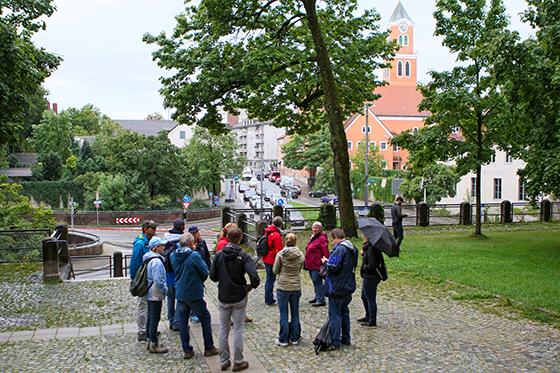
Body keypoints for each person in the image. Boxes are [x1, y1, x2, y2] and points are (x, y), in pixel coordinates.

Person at [210, 227, 260, 372]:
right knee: (238, 329)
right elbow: (255, 277)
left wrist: (223, 278)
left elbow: (212, 276)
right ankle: (238, 361)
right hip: (239, 295)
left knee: (223, 329)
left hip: (224, 295)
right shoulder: (243, 256)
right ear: (239, 239)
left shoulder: (219, 255)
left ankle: (224, 360)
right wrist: (249, 287)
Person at [170, 232, 219, 360]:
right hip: (194, 292)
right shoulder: (194, 256)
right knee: (205, 317)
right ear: (191, 243)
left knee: (183, 322)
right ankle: (209, 347)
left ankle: (187, 349)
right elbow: (204, 272)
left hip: (180, 292)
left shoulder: (173, 255)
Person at [322, 228, 358, 350]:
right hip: (348, 284)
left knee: (335, 315)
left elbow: (333, 267)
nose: (332, 242)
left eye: (333, 239)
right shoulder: (353, 248)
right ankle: (346, 338)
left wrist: (326, 262)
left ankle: (335, 341)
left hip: (337, 286)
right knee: (344, 312)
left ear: (336, 238)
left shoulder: (340, 249)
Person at [273, 233, 304, 346]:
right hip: (295, 285)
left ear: (285, 241)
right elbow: (300, 268)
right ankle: (295, 337)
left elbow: (275, 270)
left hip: (283, 285)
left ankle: (283, 339)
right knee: (295, 313)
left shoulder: (280, 254)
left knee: (284, 314)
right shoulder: (300, 255)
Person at [129, 220, 157, 341]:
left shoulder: (147, 241)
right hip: (143, 279)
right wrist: (136, 280)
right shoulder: (140, 244)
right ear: (145, 229)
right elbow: (135, 263)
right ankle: (142, 331)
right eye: (152, 229)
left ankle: (149, 328)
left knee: (149, 305)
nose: (154, 231)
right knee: (143, 305)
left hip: (149, 279)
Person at [144, 236, 168, 353]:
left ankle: (150, 340)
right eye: (161, 245)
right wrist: (165, 290)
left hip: (149, 292)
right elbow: (159, 280)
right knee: (155, 318)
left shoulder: (148, 258)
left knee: (150, 316)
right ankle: (154, 343)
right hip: (155, 293)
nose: (163, 247)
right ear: (155, 248)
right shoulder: (157, 261)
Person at [358, 237, 387, 327]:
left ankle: (372, 320)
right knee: (364, 297)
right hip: (369, 276)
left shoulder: (372, 249)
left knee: (370, 298)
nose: (363, 237)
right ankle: (368, 316)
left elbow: (372, 265)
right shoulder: (369, 248)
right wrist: (364, 254)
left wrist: (363, 267)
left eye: (365, 236)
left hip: (371, 277)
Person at [163, 218, 185, 331]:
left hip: (168, 274)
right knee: (181, 299)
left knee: (170, 299)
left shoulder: (167, 238)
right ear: (181, 227)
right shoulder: (181, 240)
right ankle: (177, 322)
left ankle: (171, 320)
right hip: (178, 274)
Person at [187, 225, 212, 324]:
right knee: (194, 293)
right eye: (192, 233)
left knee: (200, 292)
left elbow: (207, 256)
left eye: (195, 233)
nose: (194, 235)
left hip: (201, 271)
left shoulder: (202, 243)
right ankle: (193, 313)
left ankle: (197, 312)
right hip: (192, 272)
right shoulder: (188, 244)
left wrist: (209, 269)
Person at [304, 221, 329, 307]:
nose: (314, 229)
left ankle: (321, 299)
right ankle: (317, 296)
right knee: (314, 281)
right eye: (314, 227)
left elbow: (325, 250)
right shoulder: (313, 237)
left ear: (320, 229)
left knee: (317, 281)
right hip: (311, 263)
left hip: (317, 264)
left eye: (317, 228)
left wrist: (325, 261)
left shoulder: (322, 238)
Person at [262, 216, 284, 306]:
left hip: (266, 258)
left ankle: (268, 298)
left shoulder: (268, 231)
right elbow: (278, 250)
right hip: (272, 260)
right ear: (281, 224)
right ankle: (269, 299)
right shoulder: (276, 235)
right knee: (271, 280)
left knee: (268, 279)